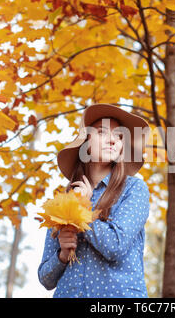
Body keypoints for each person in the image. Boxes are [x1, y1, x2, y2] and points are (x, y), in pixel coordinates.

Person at [38, 103, 151, 298]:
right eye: (102, 132)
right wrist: (63, 256)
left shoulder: (134, 189)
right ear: (86, 141)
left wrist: (85, 210)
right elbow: (45, 279)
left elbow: (115, 246)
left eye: (119, 136)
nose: (113, 140)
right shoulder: (63, 201)